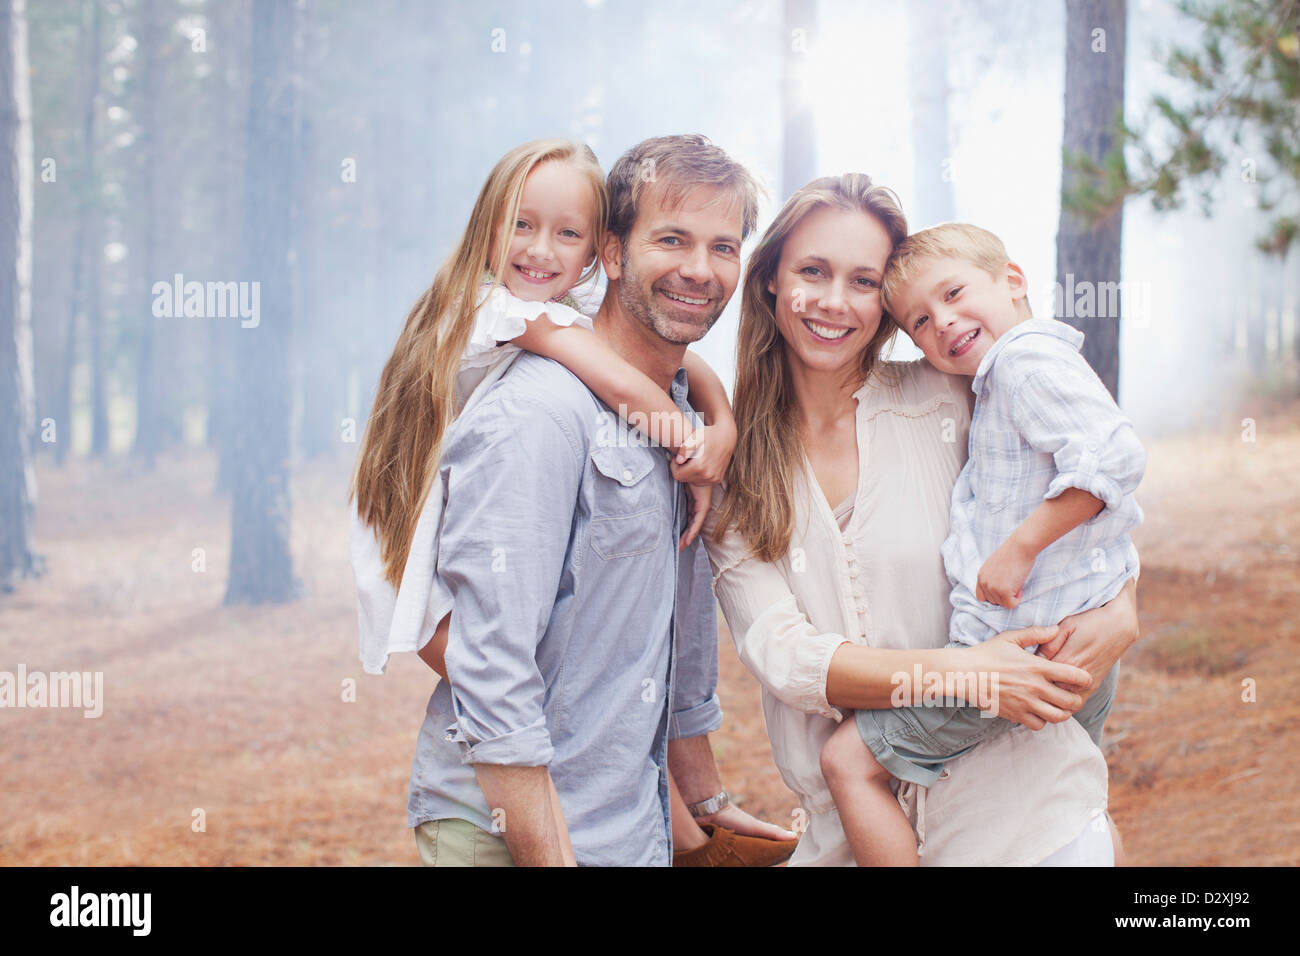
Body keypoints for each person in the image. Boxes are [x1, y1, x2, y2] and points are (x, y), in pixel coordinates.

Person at [352, 134, 793, 865]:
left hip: (622, 824)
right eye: (673, 239)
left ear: (589, 254)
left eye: (722, 246)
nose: (699, 268)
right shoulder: (540, 406)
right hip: (510, 830)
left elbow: (662, 640)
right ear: (615, 256)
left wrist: (699, 810)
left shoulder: (671, 404)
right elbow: (490, 669)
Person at [703, 174, 1141, 866]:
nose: (834, 301)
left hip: (1022, 812)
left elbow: (1083, 485)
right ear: (770, 282)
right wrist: (964, 673)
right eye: (812, 272)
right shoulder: (736, 467)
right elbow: (785, 656)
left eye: (863, 281)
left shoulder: (954, 395)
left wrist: (1122, 602)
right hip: (848, 837)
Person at [820, 222, 1146, 866]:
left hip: (1028, 645)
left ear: (1014, 281)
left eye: (955, 292)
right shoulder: (1000, 377)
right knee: (1071, 791)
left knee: (848, 761)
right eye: (918, 321)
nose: (940, 321)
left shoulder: (1023, 362)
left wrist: (1020, 547)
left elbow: (1114, 458)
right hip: (1065, 636)